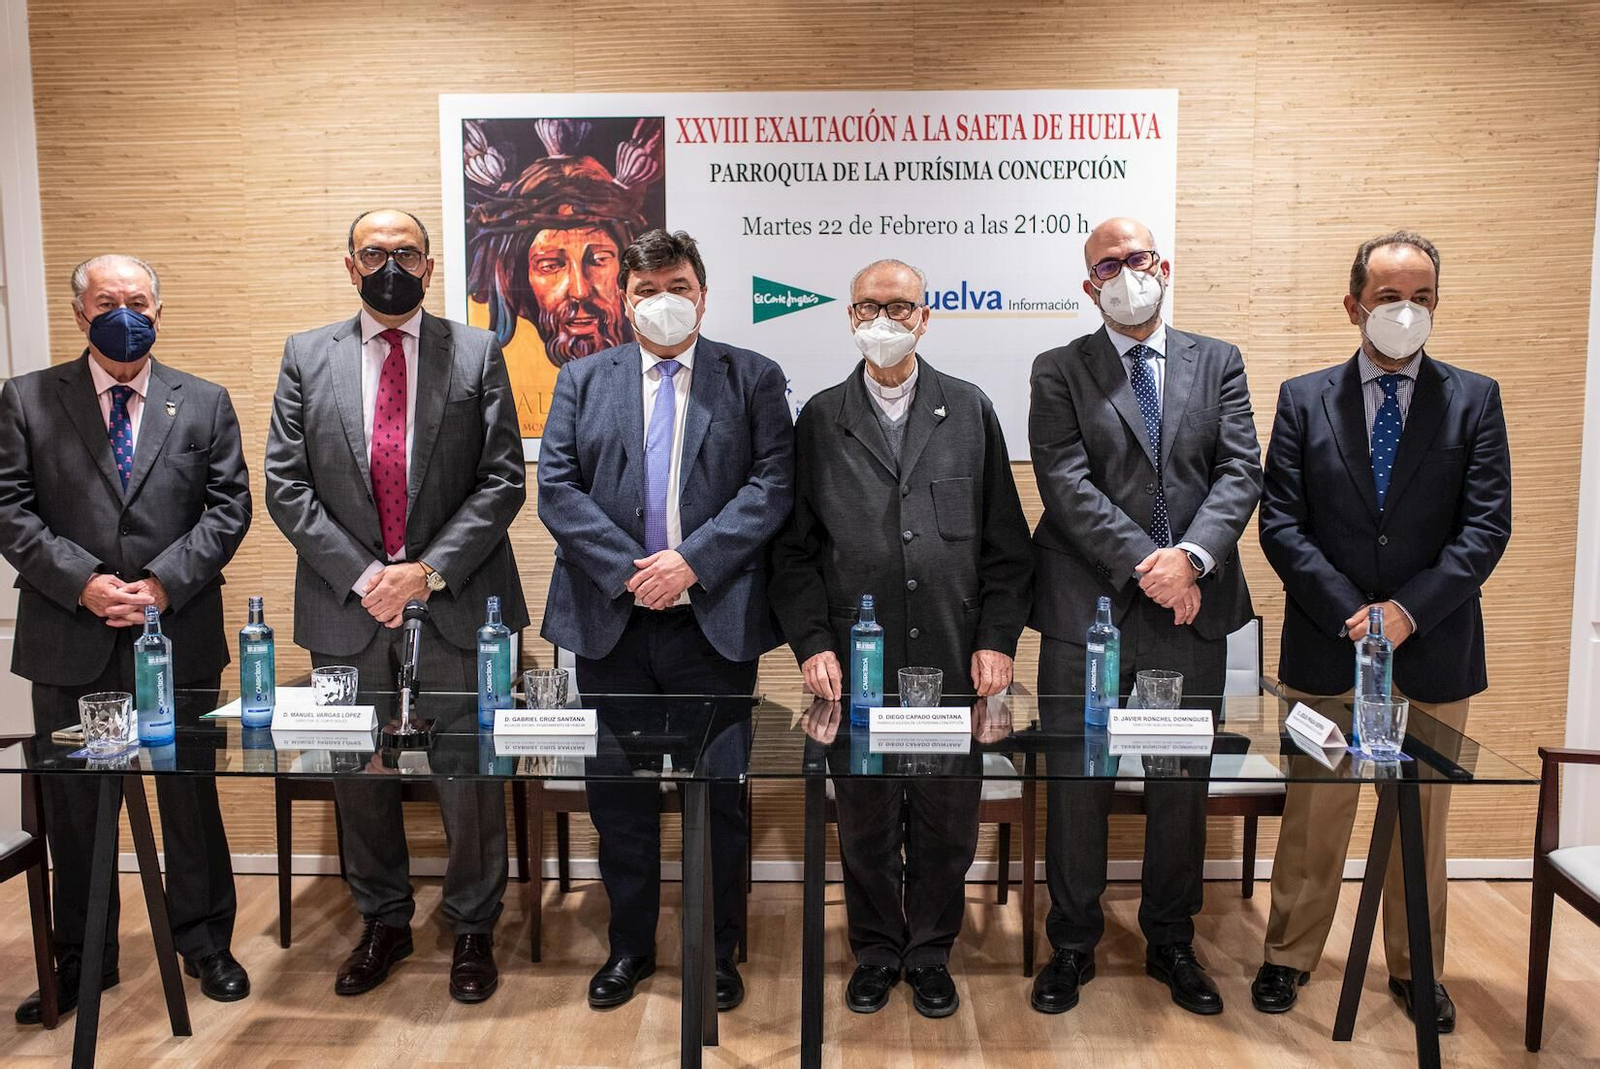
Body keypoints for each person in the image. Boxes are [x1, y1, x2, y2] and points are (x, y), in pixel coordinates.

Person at [265, 209, 528, 1004]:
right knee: (359, 771)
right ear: (349, 265)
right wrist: (365, 575)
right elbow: (286, 483)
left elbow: (503, 478)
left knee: (470, 774)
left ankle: (474, 922)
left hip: (457, 599)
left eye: (405, 252)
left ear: (430, 263)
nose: (390, 264)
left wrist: (425, 570)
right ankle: (383, 917)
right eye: (374, 252)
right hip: (346, 605)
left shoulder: (477, 350)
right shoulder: (306, 354)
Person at [1251, 231, 1511, 1032]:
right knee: (1316, 807)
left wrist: (1406, 612)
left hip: (1432, 649)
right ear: (1353, 302)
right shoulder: (1304, 397)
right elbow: (1282, 523)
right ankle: (1288, 956)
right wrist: (1351, 610)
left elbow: (1487, 525)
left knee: (1419, 820)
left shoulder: (1474, 397)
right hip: (1329, 647)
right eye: (1390, 295)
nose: (1405, 311)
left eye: (1421, 297)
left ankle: (1415, 967)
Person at [538, 228, 793, 1013]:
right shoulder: (581, 380)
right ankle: (630, 948)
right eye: (646, 290)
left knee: (717, 798)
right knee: (619, 800)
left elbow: (771, 486)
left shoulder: (751, 377)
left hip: (711, 621)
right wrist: (633, 572)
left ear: (703, 293)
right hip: (610, 621)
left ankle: (716, 954)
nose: (662, 301)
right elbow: (556, 488)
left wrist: (690, 562)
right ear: (626, 300)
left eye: (676, 285)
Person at [771, 257, 1032, 1019]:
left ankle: (930, 951)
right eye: (867, 307)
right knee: (867, 816)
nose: (883, 320)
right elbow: (792, 554)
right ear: (849, 317)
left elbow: (1007, 551)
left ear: (926, 316)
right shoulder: (821, 419)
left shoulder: (970, 408)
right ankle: (878, 948)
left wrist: (998, 638)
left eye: (899, 306)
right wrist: (812, 642)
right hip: (856, 672)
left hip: (954, 663)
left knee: (949, 818)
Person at [0, 254, 252, 1018]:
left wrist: (161, 584)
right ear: (80, 314)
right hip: (68, 630)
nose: (124, 312)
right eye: (107, 301)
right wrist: (83, 581)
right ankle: (83, 956)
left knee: (189, 796)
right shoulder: (26, 399)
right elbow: (9, 506)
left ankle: (206, 942)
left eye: (138, 300)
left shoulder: (202, 401)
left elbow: (228, 508)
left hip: (176, 631)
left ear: (160, 310)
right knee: (77, 807)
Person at [1027, 217, 1262, 1017]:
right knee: (1077, 780)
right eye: (1108, 266)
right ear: (1088, 284)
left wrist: (1189, 559)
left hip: (1187, 610)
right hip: (1086, 606)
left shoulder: (1218, 360)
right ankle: (1071, 940)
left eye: (1137, 259)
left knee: (1177, 783)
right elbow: (1065, 483)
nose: (1126, 274)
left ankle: (1170, 938)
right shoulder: (1059, 368)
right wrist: (1150, 565)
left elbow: (1240, 471)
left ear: (1163, 264)